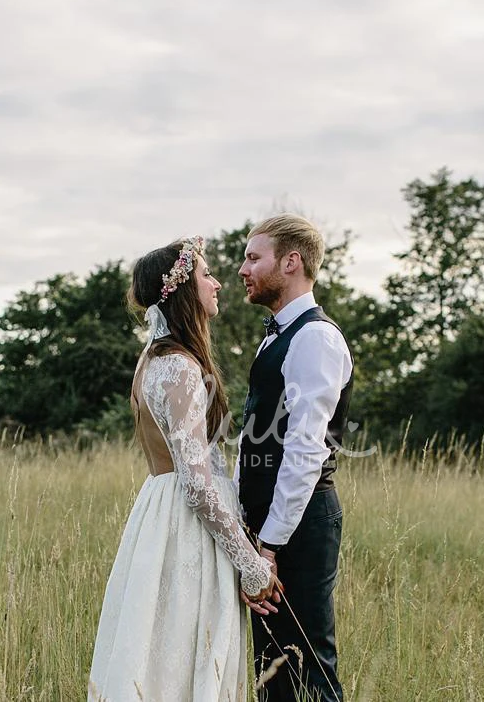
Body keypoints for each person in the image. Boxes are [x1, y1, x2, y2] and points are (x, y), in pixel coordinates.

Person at [88, 236, 277, 702]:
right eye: (206, 275)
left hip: (158, 513)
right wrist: (251, 566)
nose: (217, 283)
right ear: (184, 291)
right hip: (184, 527)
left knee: (156, 654)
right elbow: (196, 484)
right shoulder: (178, 366)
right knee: (182, 656)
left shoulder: (153, 360)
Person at [236, 215, 353, 702]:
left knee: (308, 666)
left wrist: (269, 546)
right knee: (274, 669)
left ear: (291, 262)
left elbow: (306, 450)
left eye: (252, 256)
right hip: (272, 524)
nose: (243, 268)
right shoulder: (279, 333)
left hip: (299, 526)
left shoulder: (315, 337)